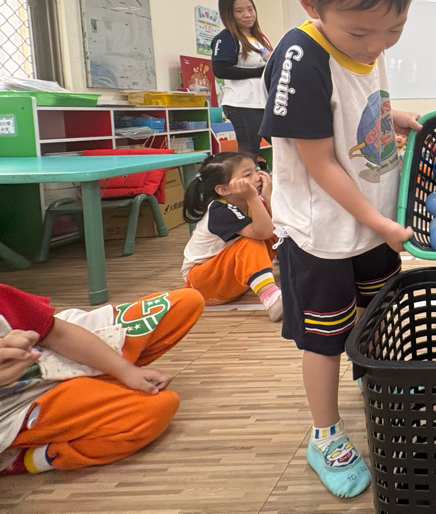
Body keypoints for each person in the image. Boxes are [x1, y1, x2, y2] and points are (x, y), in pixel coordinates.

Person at [259, 0, 421, 499]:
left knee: (380, 314)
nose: (376, 45)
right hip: (323, 234)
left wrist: (395, 117)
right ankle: (324, 433)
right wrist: (378, 219)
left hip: (371, 224)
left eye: (394, 29)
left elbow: (358, 109)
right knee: (325, 336)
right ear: (311, 3)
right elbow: (320, 161)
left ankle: (379, 381)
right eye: (360, 34)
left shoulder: (366, 35)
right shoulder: (300, 57)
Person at [0, 283, 202, 476]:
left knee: (185, 303)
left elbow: (57, 333)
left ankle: (104, 381)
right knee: (155, 409)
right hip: (17, 406)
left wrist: (126, 371)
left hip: (50, 356)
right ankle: (22, 458)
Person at [181, 151, 282, 321]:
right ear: (223, 189)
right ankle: (272, 300)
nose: (258, 177)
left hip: (225, 279)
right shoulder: (219, 211)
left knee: (279, 233)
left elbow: (275, 229)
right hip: (202, 284)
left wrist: (268, 197)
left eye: (257, 170)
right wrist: (253, 196)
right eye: (248, 174)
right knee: (251, 242)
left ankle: (293, 278)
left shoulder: (250, 202)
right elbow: (263, 232)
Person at [211, 0, 275, 157]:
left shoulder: (261, 38)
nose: (247, 15)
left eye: (250, 9)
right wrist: (259, 72)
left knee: (284, 146)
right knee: (249, 152)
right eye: (239, 11)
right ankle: (246, 175)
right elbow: (220, 70)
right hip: (242, 103)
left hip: (263, 102)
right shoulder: (226, 38)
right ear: (228, 14)